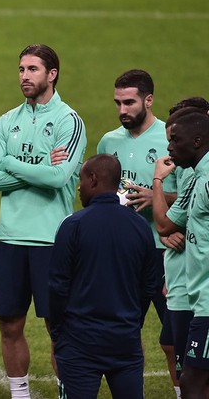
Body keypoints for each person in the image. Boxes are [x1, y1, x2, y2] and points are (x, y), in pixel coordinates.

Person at [0, 44, 87, 398]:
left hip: (51, 239)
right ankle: (20, 393)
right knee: (9, 324)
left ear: (52, 74)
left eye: (32, 69)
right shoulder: (6, 121)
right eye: (21, 69)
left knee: (59, 326)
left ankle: (67, 391)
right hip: (11, 238)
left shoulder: (69, 121)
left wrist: (10, 163)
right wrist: (38, 167)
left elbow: (57, 179)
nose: (24, 76)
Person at [49, 154, 159, 398]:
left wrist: (57, 335)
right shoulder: (140, 226)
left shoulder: (72, 225)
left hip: (79, 343)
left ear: (93, 179)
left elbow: (57, 286)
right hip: (125, 341)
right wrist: (133, 324)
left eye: (81, 180)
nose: (79, 187)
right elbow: (148, 285)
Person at [96, 70, 179, 387]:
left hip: (165, 252)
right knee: (123, 335)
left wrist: (156, 195)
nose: (122, 110)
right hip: (123, 254)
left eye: (129, 102)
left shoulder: (171, 139)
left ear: (148, 100)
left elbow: (193, 194)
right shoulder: (109, 141)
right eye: (118, 103)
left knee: (173, 339)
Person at [150, 108, 209, 398]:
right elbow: (165, 225)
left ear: (197, 141)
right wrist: (158, 181)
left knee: (192, 382)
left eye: (175, 140)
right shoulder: (196, 177)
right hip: (198, 299)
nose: (170, 147)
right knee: (191, 379)